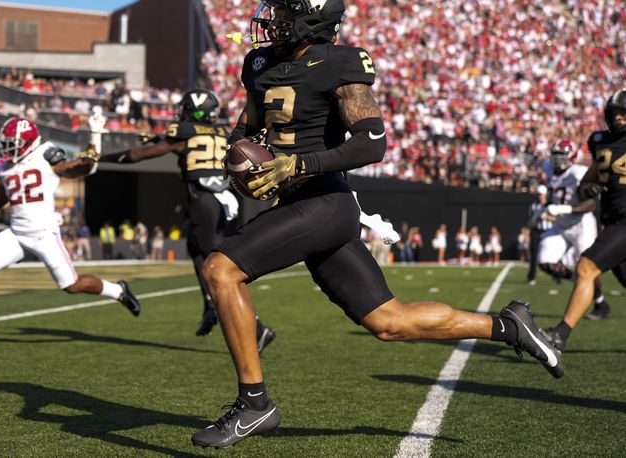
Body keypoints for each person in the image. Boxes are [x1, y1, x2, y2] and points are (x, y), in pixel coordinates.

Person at [191, 1, 561, 449]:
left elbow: (372, 142)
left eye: (285, 11)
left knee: (219, 269)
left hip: (325, 201)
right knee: (390, 322)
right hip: (300, 204)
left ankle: (254, 405)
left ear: (312, 18)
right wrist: (241, 162)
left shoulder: (341, 62)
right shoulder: (259, 63)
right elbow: (245, 129)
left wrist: (296, 165)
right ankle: (509, 327)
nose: (272, 18)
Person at [0, 117, 141, 345]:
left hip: (43, 233)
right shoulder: (5, 166)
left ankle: (118, 291)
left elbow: (84, 167)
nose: (6, 148)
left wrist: (95, 136)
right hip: (16, 233)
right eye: (5, 142)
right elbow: (0, 198)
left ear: (27, 143)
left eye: (11, 143)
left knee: (71, 285)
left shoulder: (47, 157)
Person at [99, 88, 276, 346]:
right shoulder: (222, 131)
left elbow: (139, 155)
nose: (180, 113)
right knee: (195, 249)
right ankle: (210, 306)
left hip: (202, 199)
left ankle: (257, 328)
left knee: (220, 265)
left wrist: (103, 158)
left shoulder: (184, 133)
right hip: (224, 199)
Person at [541, 90, 626, 350]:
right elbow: (593, 177)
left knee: (586, 268)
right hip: (614, 220)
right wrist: (590, 187)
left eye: (624, 113)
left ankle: (560, 335)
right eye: (616, 113)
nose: (620, 118)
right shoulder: (600, 142)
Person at [536, 139, 609, 318]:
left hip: (581, 226)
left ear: (573, 157)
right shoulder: (549, 169)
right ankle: (575, 279)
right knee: (544, 260)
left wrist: (564, 208)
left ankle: (600, 303)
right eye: (555, 156)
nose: (557, 160)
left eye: (561, 156)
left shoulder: (579, 172)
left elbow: (592, 204)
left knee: (588, 267)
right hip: (561, 226)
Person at [527, 185, 552, 284]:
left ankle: (556, 275)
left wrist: (547, 217)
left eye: (541, 194)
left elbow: (557, 219)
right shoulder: (533, 205)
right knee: (534, 255)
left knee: (551, 255)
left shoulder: (551, 205)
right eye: (538, 194)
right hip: (536, 231)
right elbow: (530, 220)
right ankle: (531, 277)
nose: (540, 196)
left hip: (549, 231)